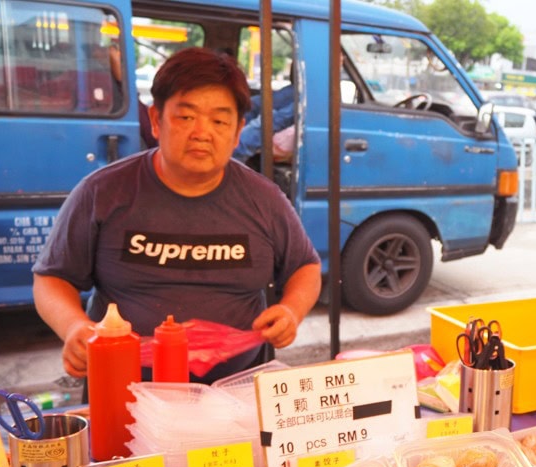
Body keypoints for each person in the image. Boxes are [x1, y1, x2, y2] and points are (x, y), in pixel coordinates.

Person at [33, 47, 321, 385]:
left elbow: (306, 266)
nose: (202, 132)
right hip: (125, 386)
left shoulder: (264, 199)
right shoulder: (102, 192)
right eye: (186, 117)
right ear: (156, 120)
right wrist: (74, 326)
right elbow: (52, 278)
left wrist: (291, 311)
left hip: (232, 392)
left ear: (238, 131)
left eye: (219, 121)